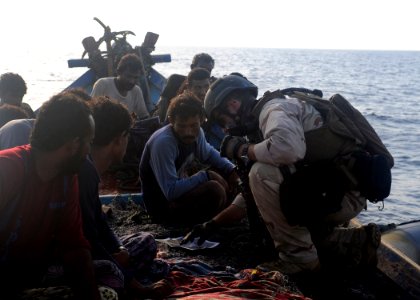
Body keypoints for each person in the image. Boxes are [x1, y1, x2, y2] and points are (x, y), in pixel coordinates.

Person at [195, 74, 393, 275]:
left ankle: (299, 260)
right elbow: (252, 195)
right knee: (290, 221)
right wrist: (213, 223)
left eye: (223, 120)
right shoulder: (266, 120)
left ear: (233, 104)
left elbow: (288, 151)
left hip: (343, 195)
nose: (225, 128)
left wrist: (243, 150)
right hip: (333, 191)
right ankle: (358, 240)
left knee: (261, 172)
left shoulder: (274, 110)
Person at [0, 93, 101, 299]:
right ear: (73, 143)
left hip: (27, 275)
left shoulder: (66, 177)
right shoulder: (8, 169)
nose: (89, 151)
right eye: (89, 142)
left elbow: (74, 245)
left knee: (105, 272)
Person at [79, 96, 173, 298]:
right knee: (114, 275)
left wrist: (118, 248)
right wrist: (135, 284)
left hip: (89, 247)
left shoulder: (88, 168)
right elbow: (87, 239)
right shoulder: (84, 171)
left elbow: (100, 222)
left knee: (144, 241)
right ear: (119, 139)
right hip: (75, 256)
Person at [139, 93, 241, 225]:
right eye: (181, 126)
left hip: (180, 195)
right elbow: (170, 191)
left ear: (202, 120)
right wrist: (206, 176)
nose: (188, 132)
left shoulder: (198, 133)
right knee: (214, 189)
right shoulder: (164, 143)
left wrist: (232, 170)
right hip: (162, 207)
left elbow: (209, 154)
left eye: (193, 125)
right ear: (171, 121)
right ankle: (211, 221)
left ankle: (221, 216)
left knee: (228, 173)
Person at [153, 53, 215, 122]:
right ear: (192, 67)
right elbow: (163, 104)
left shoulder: (213, 86)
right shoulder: (175, 80)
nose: (204, 72)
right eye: (202, 68)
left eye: (209, 70)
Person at [91, 53, 150, 120]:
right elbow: (91, 112)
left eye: (135, 78)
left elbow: (144, 117)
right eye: (128, 76)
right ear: (118, 72)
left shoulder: (136, 91)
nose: (132, 81)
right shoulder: (102, 84)